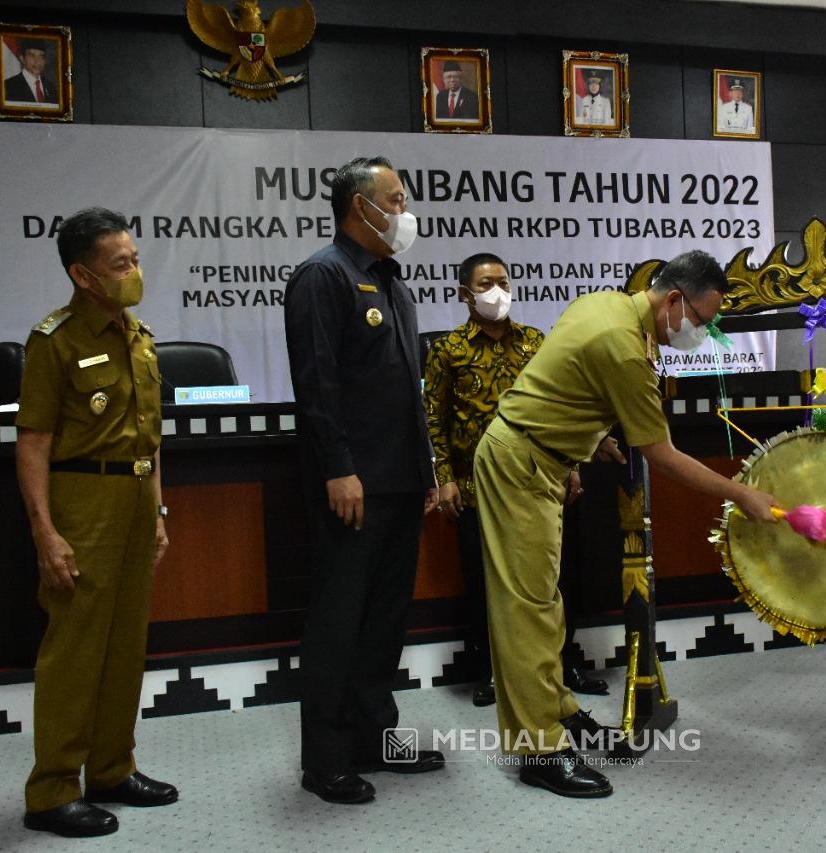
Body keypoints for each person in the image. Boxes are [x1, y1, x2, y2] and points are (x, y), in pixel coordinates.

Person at [473, 250, 779, 798]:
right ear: (674, 301)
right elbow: (661, 454)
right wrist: (741, 494)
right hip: (522, 461)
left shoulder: (608, 306)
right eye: (703, 321)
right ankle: (538, 750)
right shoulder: (625, 347)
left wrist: (592, 439)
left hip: (539, 456)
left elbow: (566, 380)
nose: (702, 333)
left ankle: (559, 712)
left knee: (544, 602)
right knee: (526, 609)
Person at [284, 156, 442, 806]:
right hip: (352, 485)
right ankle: (324, 758)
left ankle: (377, 738)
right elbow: (316, 385)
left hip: (400, 483)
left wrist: (426, 471)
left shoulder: (393, 282)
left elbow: (409, 391)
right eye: (396, 199)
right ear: (361, 207)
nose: (405, 211)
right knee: (338, 623)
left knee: (383, 622)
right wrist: (338, 467)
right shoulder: (323, 276)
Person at [16, 207, 175, 838]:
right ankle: (52, 790)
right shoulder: (54, 341)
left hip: (136, 499)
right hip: (83, 502)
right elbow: (32, 442)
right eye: (120, 264)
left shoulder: (139, 335)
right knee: (76, 649)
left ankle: (112, 769)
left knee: (125, 646)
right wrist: (45, 532)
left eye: (134, 259)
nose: (134, 270)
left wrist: (159, 509)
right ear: (83, 275)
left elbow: (150, 439)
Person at [424, 253, 608, 708]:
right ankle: (491, 670)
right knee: (488, 581)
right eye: (486, 284)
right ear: (464, 294)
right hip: (475, 486)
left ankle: (565, 663)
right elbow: (434, 420)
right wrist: (444, 479)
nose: (497, 292)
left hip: (540, 478)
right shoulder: (447, 351)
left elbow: (559, 409)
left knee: (556, 576)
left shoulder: (534, 342)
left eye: (503, 282)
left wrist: (573, 465)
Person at [4, 40, 58, 105]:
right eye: (32, 55)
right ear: (22, 58)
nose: (37, 61)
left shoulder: (51, 88)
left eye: (41, 56)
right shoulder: (8, 86)